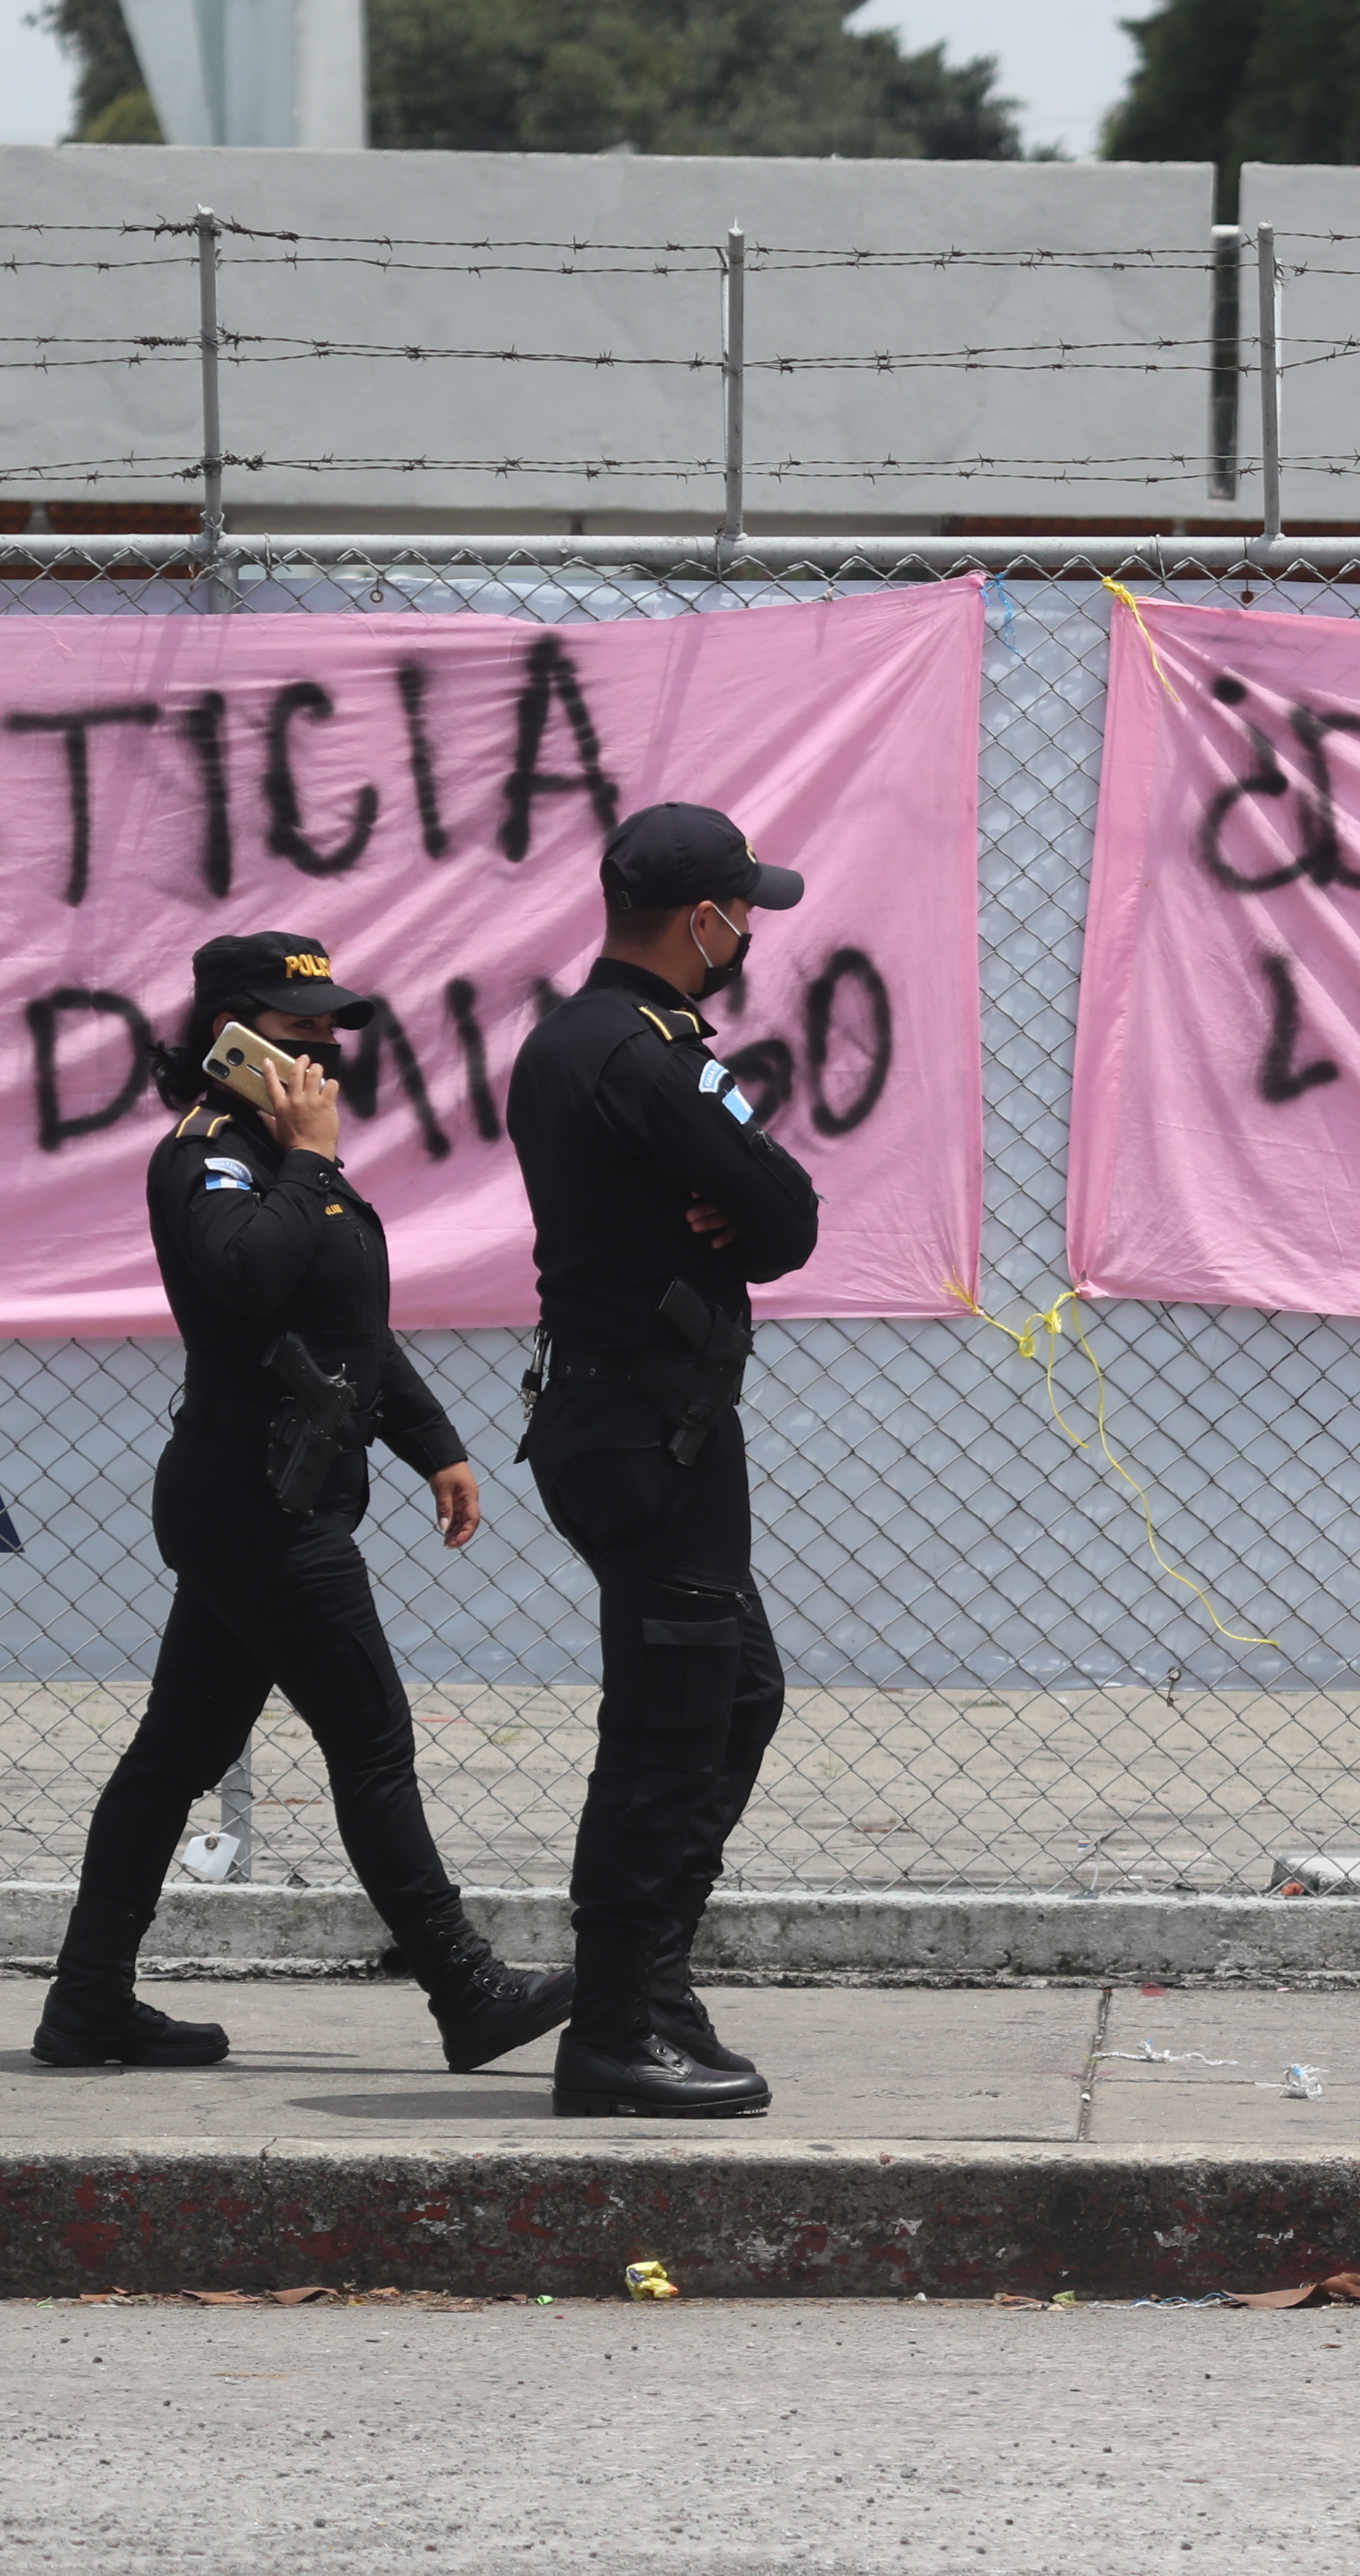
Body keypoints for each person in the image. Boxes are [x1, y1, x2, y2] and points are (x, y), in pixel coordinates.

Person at [32, 934, 575, 2074]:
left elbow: (344, 1334)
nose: (328, 1052)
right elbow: (245, 1278)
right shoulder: (212, 1158)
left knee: (175, 1752)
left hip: (281, 1495)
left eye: (333, 1030)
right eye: (300, 1031)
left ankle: (87, 2003)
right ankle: (466, 1990)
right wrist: (313, 1162)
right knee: (371, 1742)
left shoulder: (279, 1156)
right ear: (232, 1040)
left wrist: (434, 1445)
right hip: (255, 1505)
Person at [508, 804, 821, 2118]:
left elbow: (755, 1216)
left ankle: (652, 1983)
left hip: (622, 1422)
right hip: (652, 1430)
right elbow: (788, 1218)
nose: (750, 930)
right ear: (698, 920)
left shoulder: (566, 1040)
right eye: (741, 909)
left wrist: (737, 1209)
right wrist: (741, 1207)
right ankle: (616, 2031)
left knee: (735, 1695)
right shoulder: (653, 1056)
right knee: (667, 1729)